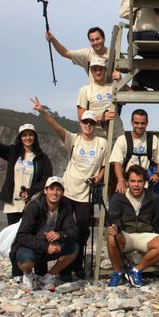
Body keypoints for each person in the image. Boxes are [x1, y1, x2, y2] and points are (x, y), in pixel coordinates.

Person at [31, 96, 107, 280]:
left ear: (95, 124)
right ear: (80, 123)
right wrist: (42, 111)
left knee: (82, 231)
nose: (88, 125)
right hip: (67, 191)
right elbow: (56, 127)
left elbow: (104, 166)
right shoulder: (74, 139)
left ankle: (77, 266)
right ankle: (62, 268)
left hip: (86, 195)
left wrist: (98, 177)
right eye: (85, 121)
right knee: (60, 228)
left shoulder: (102, 143)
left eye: (91, 122)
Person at [0, 119, 53, 281]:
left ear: (35, 137)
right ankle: (17, 272)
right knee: (16, 238)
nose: (28, 138)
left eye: (30, 135)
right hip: (13, 202)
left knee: (37, 236)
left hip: (34, 203)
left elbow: (46, 179)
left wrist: (31, 191)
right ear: (20, 137)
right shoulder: (13, 152)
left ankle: (41, 272)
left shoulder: (42, 158)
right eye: (25, 135)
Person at [106, 165, 159, 287]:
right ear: (126, 182)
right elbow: (114, 219)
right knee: (111, 238)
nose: (136, 185)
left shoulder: (154, 198)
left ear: (144, 183)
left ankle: (135, 270)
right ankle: (117, 272)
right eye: (133, 181)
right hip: (125, 234)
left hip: (145, 235)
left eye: (140, 181)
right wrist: (115, 228)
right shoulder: (118, 198)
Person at [12, 176, 79, 292]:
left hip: (53, 246)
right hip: (31, 247)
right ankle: (28, 276)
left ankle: (47, 278)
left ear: (62, 192)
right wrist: (46, 246)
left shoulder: (65, 207)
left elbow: (74, 231)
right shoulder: (35, 206)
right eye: (51, 189)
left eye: (58, 189)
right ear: (45, 191)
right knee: (25, 260)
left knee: (74, 248)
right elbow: (22, 235)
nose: (55, 193)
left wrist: (60, 235)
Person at [109, 109, 159, 198]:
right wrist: (120, 180)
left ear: (147, 123)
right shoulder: (122, 139)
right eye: (136, 123)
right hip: (128, 183)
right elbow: (117, 162)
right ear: (131, 122)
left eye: (143, 123)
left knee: (155, 202)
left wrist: (157, 174)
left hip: (147, 183)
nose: (139, 126)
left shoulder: (153, 139)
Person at [76, 55, 124, 137]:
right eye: (95, 69)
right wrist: (100, 117)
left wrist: (121, 81)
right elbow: (81, 116)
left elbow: (131, 97)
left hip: (117, 133)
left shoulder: (113, 86)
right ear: (91, 71)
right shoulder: (85, 90)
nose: (98, 72)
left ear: (105, 70)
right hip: (97, 136)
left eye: (100, 69)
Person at [45, 27, 111, 82]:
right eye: (92, 40)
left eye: (97, 39)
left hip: (112, 93)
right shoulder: (86, 54)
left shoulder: (113, 53)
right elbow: (65, 53)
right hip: (93, 94)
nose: (95, 42)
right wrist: (53, 40)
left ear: (103, 39)